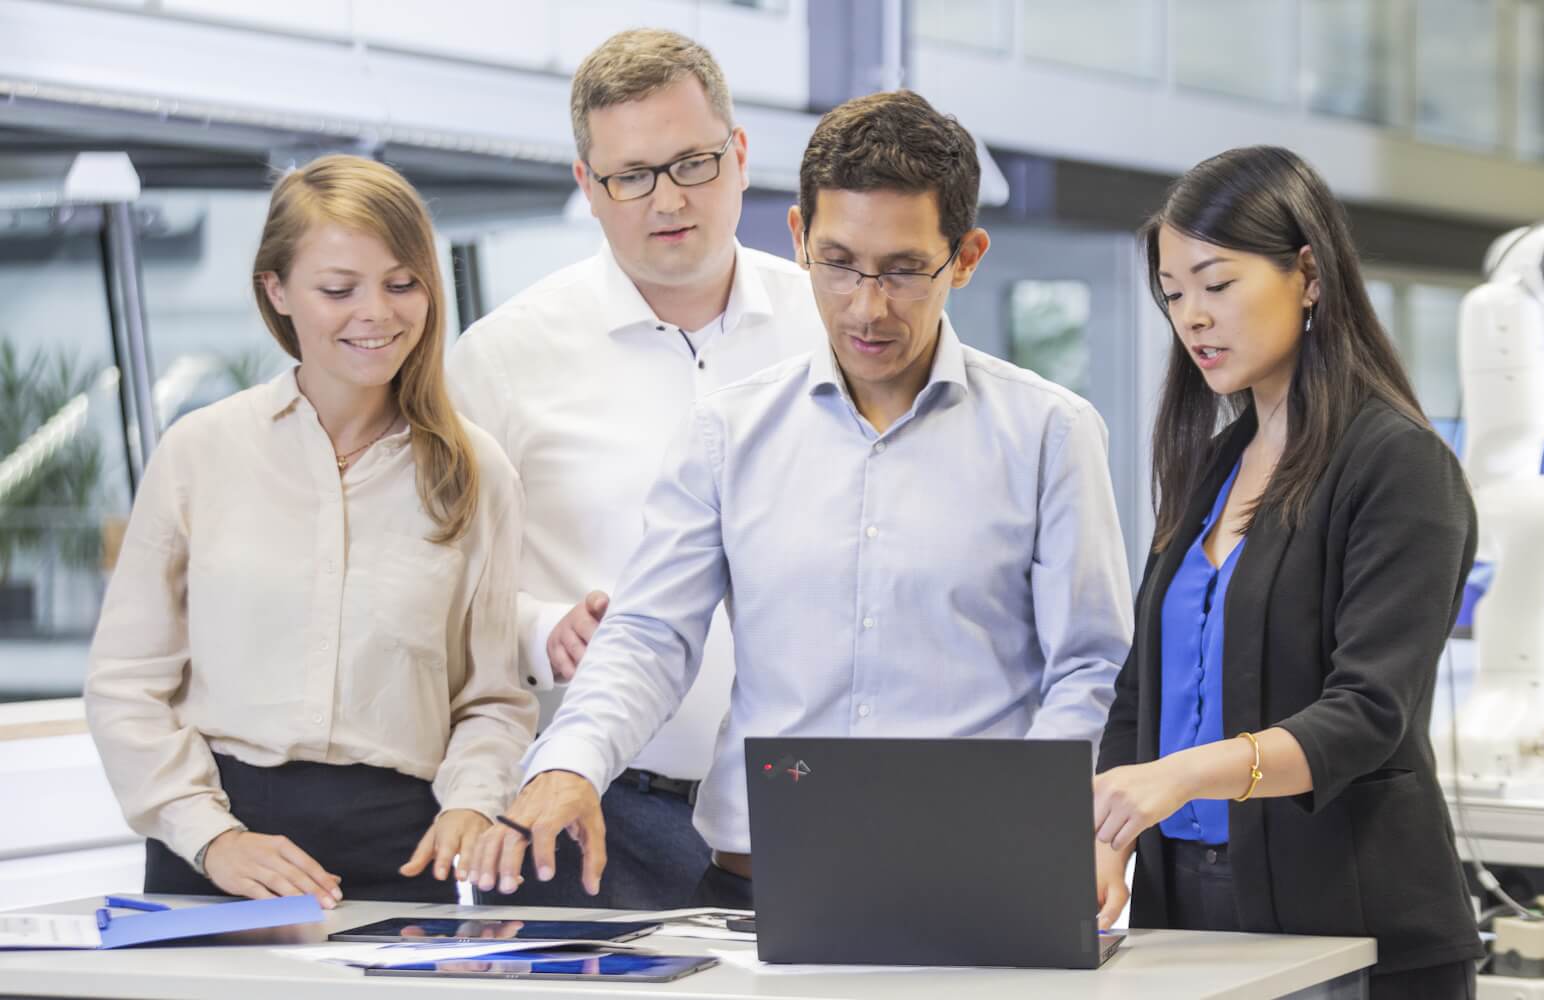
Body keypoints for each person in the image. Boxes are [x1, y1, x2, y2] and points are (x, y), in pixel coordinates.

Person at [460, 90, 1133, 909]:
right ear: (799, 238)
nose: (867, 306)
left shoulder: (1049, 434)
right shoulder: (727, 432)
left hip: (974, 884)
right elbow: (649, 634)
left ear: (965, 256)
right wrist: (567, 764)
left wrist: (1041, 829)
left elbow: (1090, 665)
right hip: (754, 890)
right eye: (840, 262)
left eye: (904, 270)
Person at [84, 154, 534, 906]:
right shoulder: (201, 451)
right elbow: (127, 684)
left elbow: (492, 699)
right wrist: (210, 836)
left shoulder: (476, 472)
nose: (378, 314)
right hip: (217, 852)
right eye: (338, 289)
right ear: (277, 291)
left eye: (402, 283)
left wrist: (470, 803)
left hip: (401, 854)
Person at [1090, 146, 1483, 999]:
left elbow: (1367, 714)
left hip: (1355, 927)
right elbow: (1139, 692)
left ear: (1308, 273)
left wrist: (1184, 774)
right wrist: (1112, 832)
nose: (1192, 316)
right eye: (1172, 293)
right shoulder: (1211, 467)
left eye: (1217, 284)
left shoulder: (1398, 466)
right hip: (1182, 918)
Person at [446, 28, 824, 909]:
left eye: (692, 162)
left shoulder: (836, 329)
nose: (668, 199)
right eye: (631, 175)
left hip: (807, 811)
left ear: (738, 155)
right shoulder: (501, 359)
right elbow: (434, 594)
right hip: (594, 815)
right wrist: (540, 627)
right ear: (588, 186)